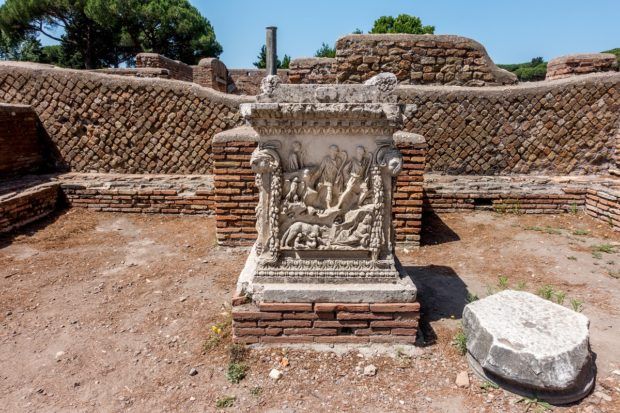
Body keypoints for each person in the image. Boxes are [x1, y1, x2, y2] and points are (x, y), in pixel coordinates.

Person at [337, 145, 371, 209]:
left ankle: (357, 204)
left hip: (360, 181)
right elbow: (345, 170)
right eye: (360, 151)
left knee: (365, 190)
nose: (362, 152)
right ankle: (338, 205)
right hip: (352, 179)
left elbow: (367, 171)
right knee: (347, 190)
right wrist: (348, 178)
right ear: (358, 152)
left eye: (362, 151)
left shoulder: (365, 162)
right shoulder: (353, 161)